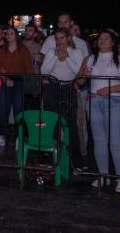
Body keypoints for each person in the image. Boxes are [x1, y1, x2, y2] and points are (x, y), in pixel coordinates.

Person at [77, 30, 120, 193]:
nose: (102, 40)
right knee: (99, 142)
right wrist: (83, 76)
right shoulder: (89, 59)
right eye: (100, 38)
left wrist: (111, 89)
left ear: (113, 42)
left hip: (115, 102)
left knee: (116, 142)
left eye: (106, 38)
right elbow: (79, 82)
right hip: (94, 102)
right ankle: (103, 175)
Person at [39, 28, 86, 171]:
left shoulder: (76, 52)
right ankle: (50, 157)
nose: (59, 41)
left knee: (70, 125)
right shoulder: (51, 52)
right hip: (52, 88)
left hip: (68, 88)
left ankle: (76, 160)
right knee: (51, 123)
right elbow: (44, 71)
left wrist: (66, 58)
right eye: (57, 38)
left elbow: (78, 72)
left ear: (68, 38)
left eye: (62, 38)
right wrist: (55, 57)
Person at [0, 27, 34, 148]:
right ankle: (1, 137)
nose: (9, 36)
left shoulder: (23, 50)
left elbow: (29, 70)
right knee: (3, 109)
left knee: (18, 111)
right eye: (7, 34)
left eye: (11, 33)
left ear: (16, 35)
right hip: (6, 82)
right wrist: (5, 77)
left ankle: (19, 138)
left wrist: (16, 77)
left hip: (19, 82)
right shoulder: (2, 51)